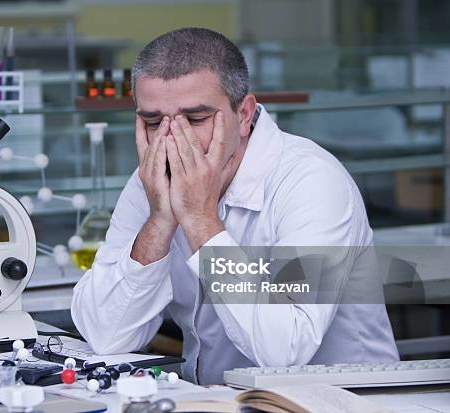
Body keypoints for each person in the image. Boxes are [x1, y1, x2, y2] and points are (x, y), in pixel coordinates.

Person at [71, 27, 398, 385]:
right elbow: (106, 336)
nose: (172, 141)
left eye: (195, 120)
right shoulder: (150, 181)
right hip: (219, 400)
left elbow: (285, 350)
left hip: (342, 402)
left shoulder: (311, 180)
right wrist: (160, 220)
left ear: (244, 115)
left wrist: (199, 219)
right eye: (152, 122)